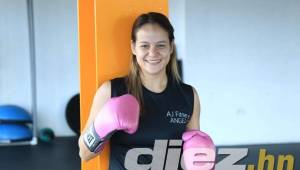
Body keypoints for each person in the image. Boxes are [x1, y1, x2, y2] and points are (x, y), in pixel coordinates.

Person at [78, 12, 215, 170]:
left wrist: (202, 160)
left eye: (161, 45)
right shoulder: (111, 91)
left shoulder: (189, 96)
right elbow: (84, 153)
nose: (153, 52)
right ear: (133, 47)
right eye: (144, 45)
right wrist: (101, 126)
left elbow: (191, 156)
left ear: (171, 47)